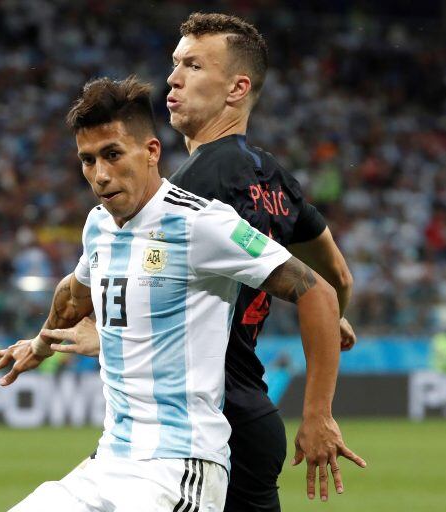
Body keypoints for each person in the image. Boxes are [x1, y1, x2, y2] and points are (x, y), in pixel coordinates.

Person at [38, 12, 366, 510]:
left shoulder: (188, 194)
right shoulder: (274, 177)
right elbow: (336, 278)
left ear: (237, 88)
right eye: (175, 63)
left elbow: (310, 288)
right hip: (250, 409)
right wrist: (330, 322)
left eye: (191, 65)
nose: (172, 78)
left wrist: (102, 332)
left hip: (200, 424)